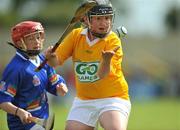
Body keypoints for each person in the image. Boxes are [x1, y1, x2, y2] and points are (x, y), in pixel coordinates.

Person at [45, 0, 131, 130]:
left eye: (107, 18)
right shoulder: (76, 36)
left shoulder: (113, 40)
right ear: (87, 20)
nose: (105, 23)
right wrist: (50, 57)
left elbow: (102, 74)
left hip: (112, 98)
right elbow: (56, 62)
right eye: (99, 18)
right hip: (84, 100)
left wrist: (106, 60)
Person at [0, 21, 68, 130]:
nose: (37, 42)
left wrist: (60, 88)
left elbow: (54, 84)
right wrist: (19, 112)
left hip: (42, 120)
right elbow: (3, 101)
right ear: (19, 42)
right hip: (22, 126)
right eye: (31, 39)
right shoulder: (15, 69)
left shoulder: (42, 60)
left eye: (38, 37)